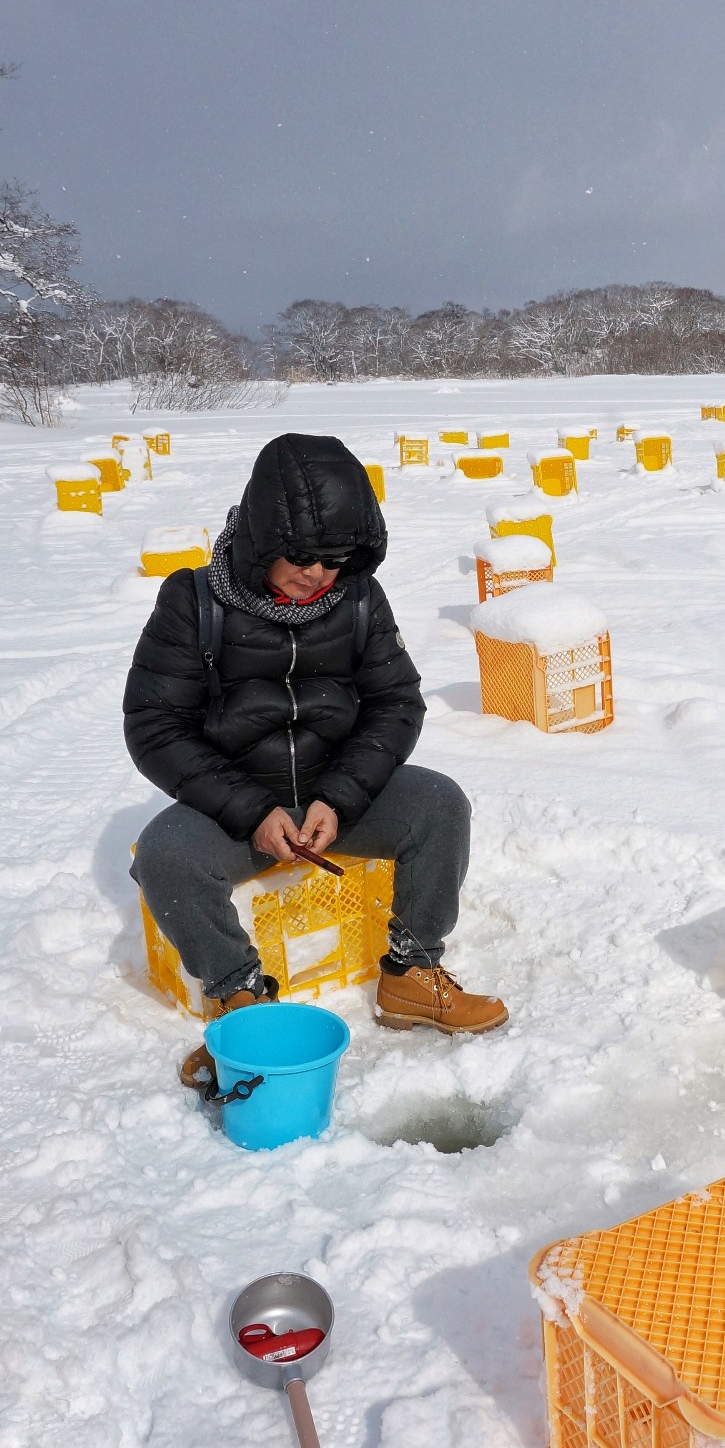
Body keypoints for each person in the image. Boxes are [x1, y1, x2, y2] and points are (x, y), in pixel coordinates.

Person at [124, 432, 508, 1074]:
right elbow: (154, 726)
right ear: (259, 538)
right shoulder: (192, 601)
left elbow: (396, 703)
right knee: (165, 855)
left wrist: (342, 794)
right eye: (301, 555)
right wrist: (250, 810)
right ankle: (238, 999)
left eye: (335, 559)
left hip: (336, 796)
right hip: (237, 808)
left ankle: (411, 973)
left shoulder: (357, 598)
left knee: (439, 803)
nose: (318, 574)